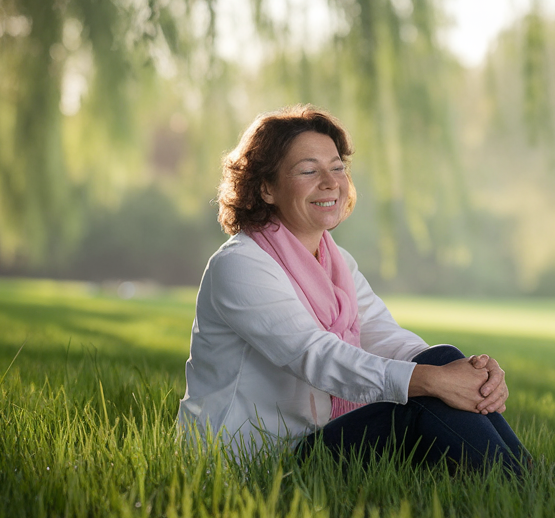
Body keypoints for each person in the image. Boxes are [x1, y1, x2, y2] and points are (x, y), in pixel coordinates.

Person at [178, 105, 528, 475]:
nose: (331, 182)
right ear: (266, 188)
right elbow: (316, 356)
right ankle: (525, 487)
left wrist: (469, 373)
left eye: (337, 167)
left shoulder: (336, 260)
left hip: (320, 436)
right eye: (309, 170)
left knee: (440, 358)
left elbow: (382, 333)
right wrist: (432, 382)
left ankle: (525, 478)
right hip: (258, 459)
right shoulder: (241, 264)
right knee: (422, 396)